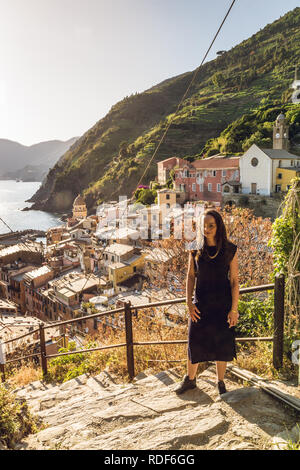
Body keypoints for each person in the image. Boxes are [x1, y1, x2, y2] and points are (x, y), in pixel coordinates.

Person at [175, 209, 239, 396]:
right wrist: (189, 303)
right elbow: (190, 277)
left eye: (211, 225)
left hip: (223, 303)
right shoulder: (195, 248)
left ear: (218, 227)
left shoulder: (230, 249)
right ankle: (190, 380)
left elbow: (235, 281)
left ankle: (220, 382)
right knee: (194, 340)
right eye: (204, 225)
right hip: (201, 303)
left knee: (222, 343)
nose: (206, 229)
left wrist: (234, 309)